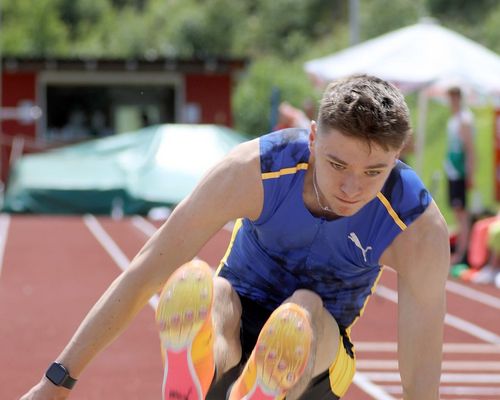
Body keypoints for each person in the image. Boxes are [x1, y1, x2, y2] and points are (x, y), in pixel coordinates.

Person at [21, 74, 449, 400]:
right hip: (235, 313)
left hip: (316, 355)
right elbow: (148, 268)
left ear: (399, 156)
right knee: (213, 292)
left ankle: (255, 381)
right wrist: (55, 381)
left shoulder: (417, 227)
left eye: (374, 172)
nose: (352, 188)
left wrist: (57, 384)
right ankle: (213, 369)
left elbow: (421, 361)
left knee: (304, 309)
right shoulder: (254, 170)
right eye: (338, 165)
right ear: (313, 138)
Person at [444, 86, 476, 266]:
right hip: (452, 171)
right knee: (457, 213)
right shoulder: (454, 119)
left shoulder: (464, 119)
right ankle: (460, 250)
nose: (452, 102)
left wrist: (470, 174)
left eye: (454, 98)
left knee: (462, 214)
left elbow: (470, 149)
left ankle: (463, 253)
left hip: (460, 172)